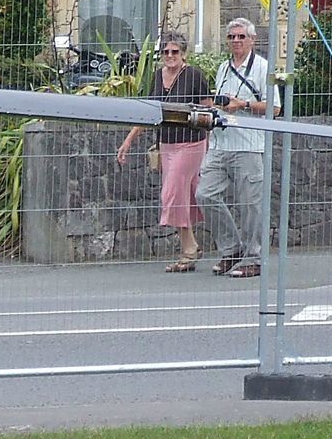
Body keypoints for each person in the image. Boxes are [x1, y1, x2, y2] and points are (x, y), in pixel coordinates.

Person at [116, 29, 211, 272]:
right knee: (184, 195)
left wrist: (209, 145)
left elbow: (207, 111)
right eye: (165, 51)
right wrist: (128, 141)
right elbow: (150, 111)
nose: (169, 55)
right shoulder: (158, 76)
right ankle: (191, 247)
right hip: (166, 143)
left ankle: (189, 249)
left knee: (172, 193)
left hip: (191, 142)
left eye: (174, 52)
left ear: (183, 53)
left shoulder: (194, 76)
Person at [194, 17, 278, 278]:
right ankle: (232, 249)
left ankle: (254, 257)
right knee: (204, 194)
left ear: (252, 39)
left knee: (251, 204)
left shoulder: (264, 68)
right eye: (232, 37)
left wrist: (242, 105)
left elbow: (274, 108)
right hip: (220, 142)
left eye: (241, 36)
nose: (236, 41)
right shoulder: (223, 68)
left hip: (249, 144)